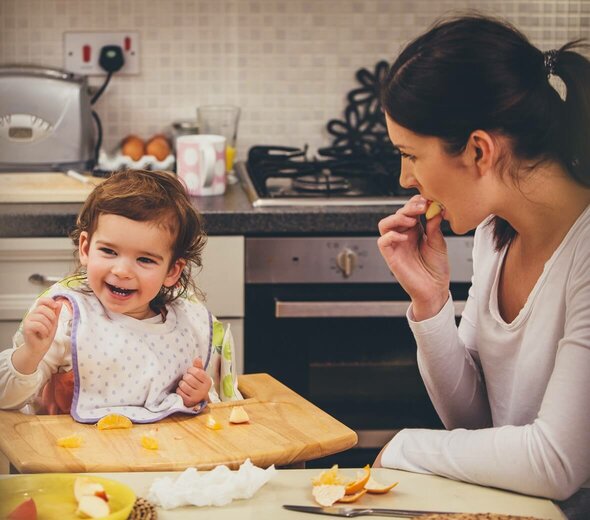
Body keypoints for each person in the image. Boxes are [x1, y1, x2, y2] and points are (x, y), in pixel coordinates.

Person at [374, 14, 590, 507]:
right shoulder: (496, 234)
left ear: (478, 150)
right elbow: (474, 426)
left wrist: (406, 446)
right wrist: (431, 303)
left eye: (409, 154)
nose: (406, 179)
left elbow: (556, 462)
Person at [0, 169, 242, 423]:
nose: (122, 271)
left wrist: (197, 396)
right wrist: (30, 353)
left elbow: (214, 406)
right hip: (73, 458)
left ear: (172, 271)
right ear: (85, 248)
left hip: (163, 458)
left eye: (145, 259)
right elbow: (6, 398)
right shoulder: (67, 319)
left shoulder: (189, 326)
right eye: (109, 251)